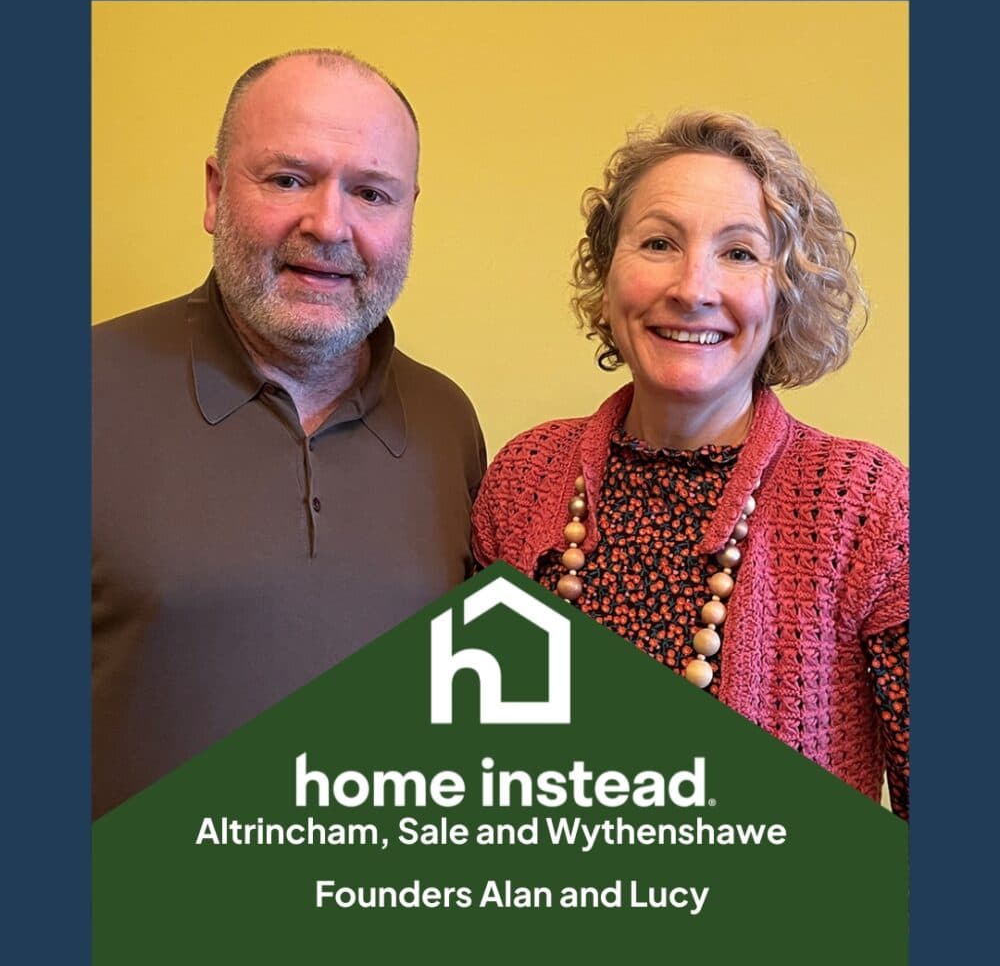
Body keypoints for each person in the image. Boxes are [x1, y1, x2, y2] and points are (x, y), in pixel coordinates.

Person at [472, 111, 908, 817]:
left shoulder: (867, 506)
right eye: (658, 243)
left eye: (739, 253)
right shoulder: (523, 480)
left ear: (784, 291)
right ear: (607, 278)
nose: (693, 287)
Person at [92, 49, 486, 819]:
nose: (328, 224)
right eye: (288, 179)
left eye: (372, 192)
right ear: (214, 192)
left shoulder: (448, 422)